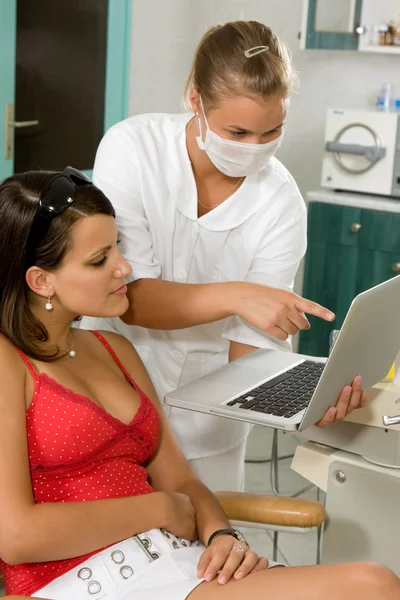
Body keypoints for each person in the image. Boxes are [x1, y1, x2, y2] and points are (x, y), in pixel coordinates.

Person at [0, 168, 399, 600]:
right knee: (371, 588)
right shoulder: (8, 363)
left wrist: (222, 536)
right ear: (42, 280)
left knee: (375, 583)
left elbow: (183, 482)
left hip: (175, 559)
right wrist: (158, 508)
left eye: (118, 248)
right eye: (100, 260)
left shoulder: (113, 348)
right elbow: (17, 537)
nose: (124, 268)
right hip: (88, 580)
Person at [81, 20, 365, 492]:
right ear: (195, 100)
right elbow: (129, 301)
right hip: (110, 396)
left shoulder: (281, 203)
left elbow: (248, 354)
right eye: (238, 131)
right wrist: (239, 295)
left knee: (210, 550)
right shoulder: (133, 149)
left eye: (272, 131)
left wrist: (305, 401)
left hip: (211, 425)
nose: (255, 149)